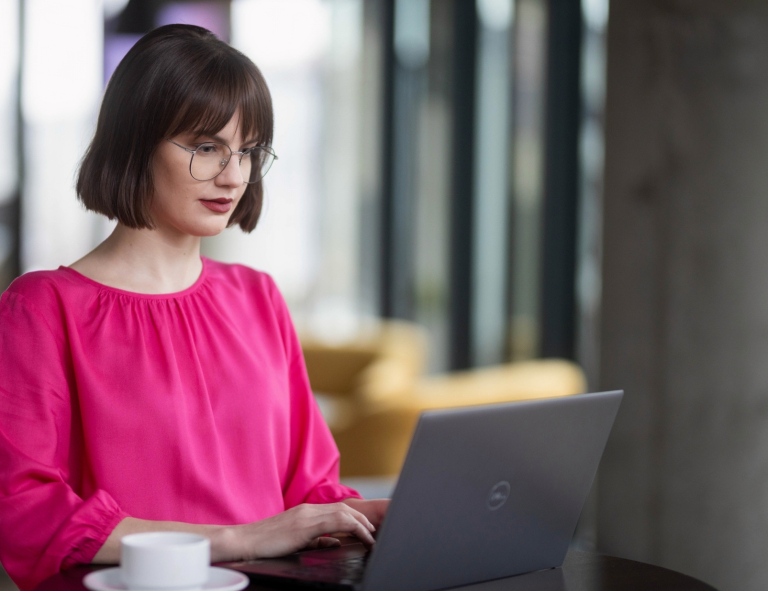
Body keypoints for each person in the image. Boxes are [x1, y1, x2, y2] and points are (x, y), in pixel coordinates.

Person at [0, 24, 387, 591]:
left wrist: (364, 517)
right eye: (206, 147)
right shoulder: (43, 309)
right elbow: (23, 510)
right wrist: (243, 538)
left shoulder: (258, 297)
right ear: (135, 141)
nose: (232, 175)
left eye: (248, 151)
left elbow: (309, 487)